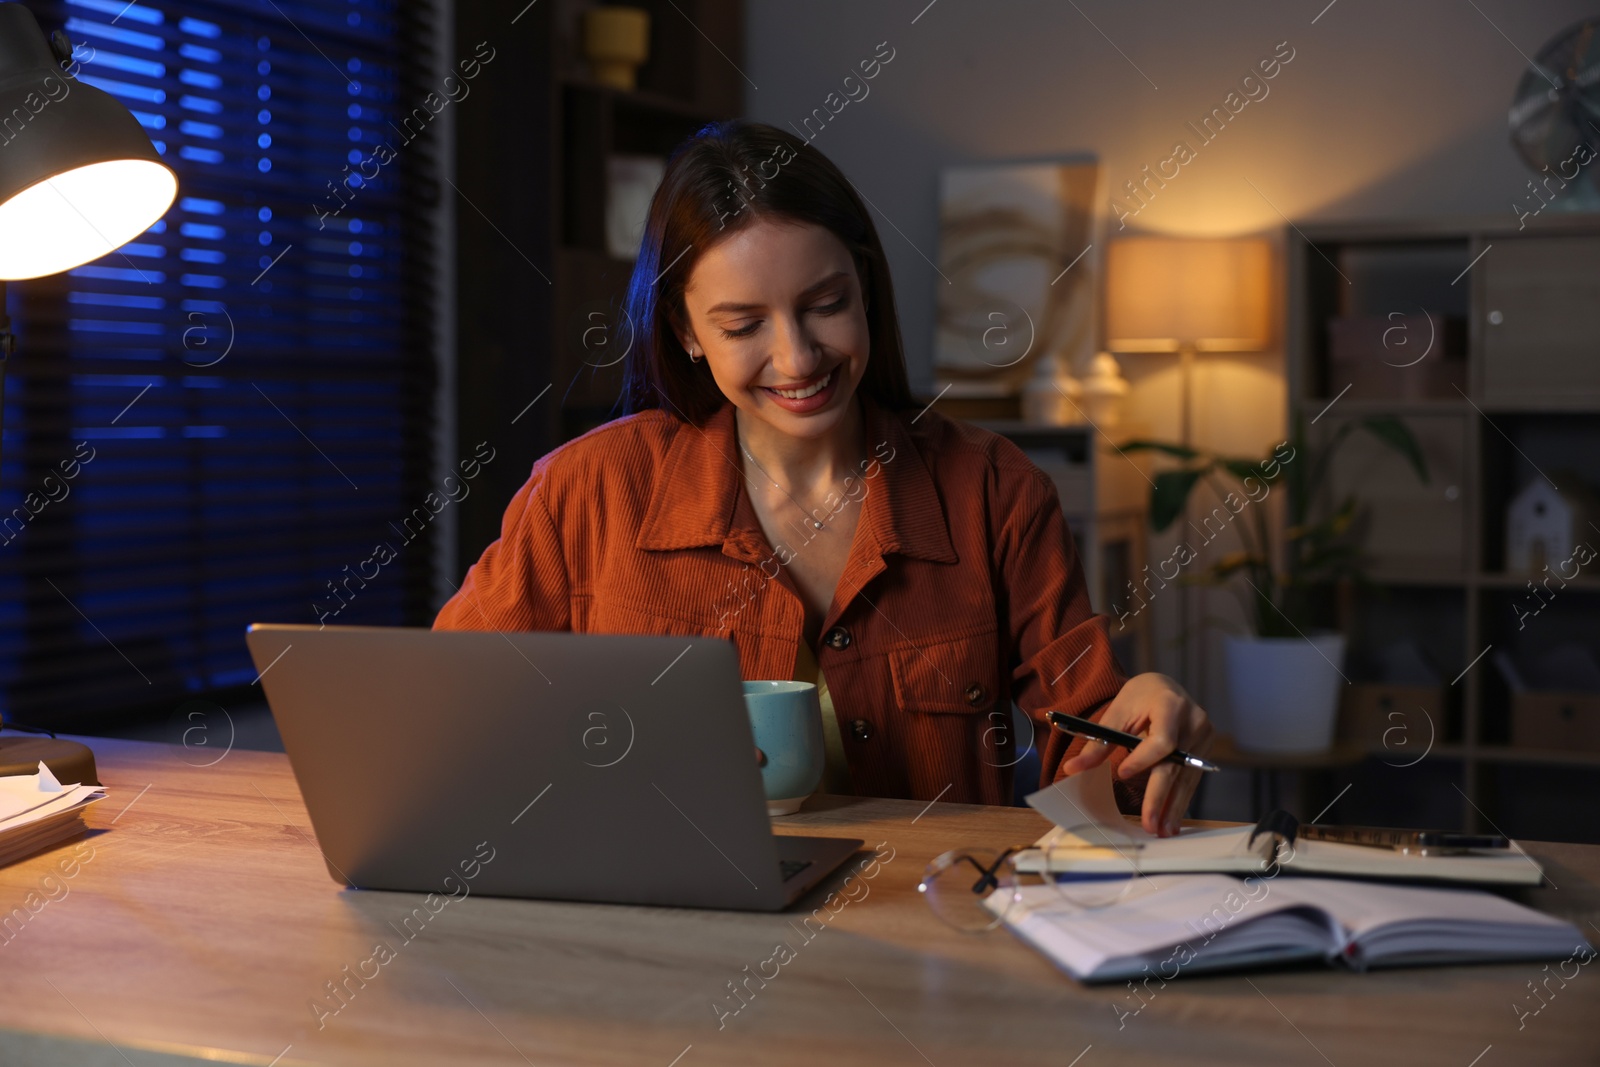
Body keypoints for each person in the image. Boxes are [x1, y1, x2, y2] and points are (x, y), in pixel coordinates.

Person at [434, 119, 1213, 836]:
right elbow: (451, 714)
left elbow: (1100, 784)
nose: (799, 358)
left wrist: (1143, 735)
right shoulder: (588, 489)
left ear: (866, 287)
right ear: (686, 332)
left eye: (827, 305)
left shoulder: (995, 492)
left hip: (926, 949)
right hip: (667, 936)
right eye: (743, 326)